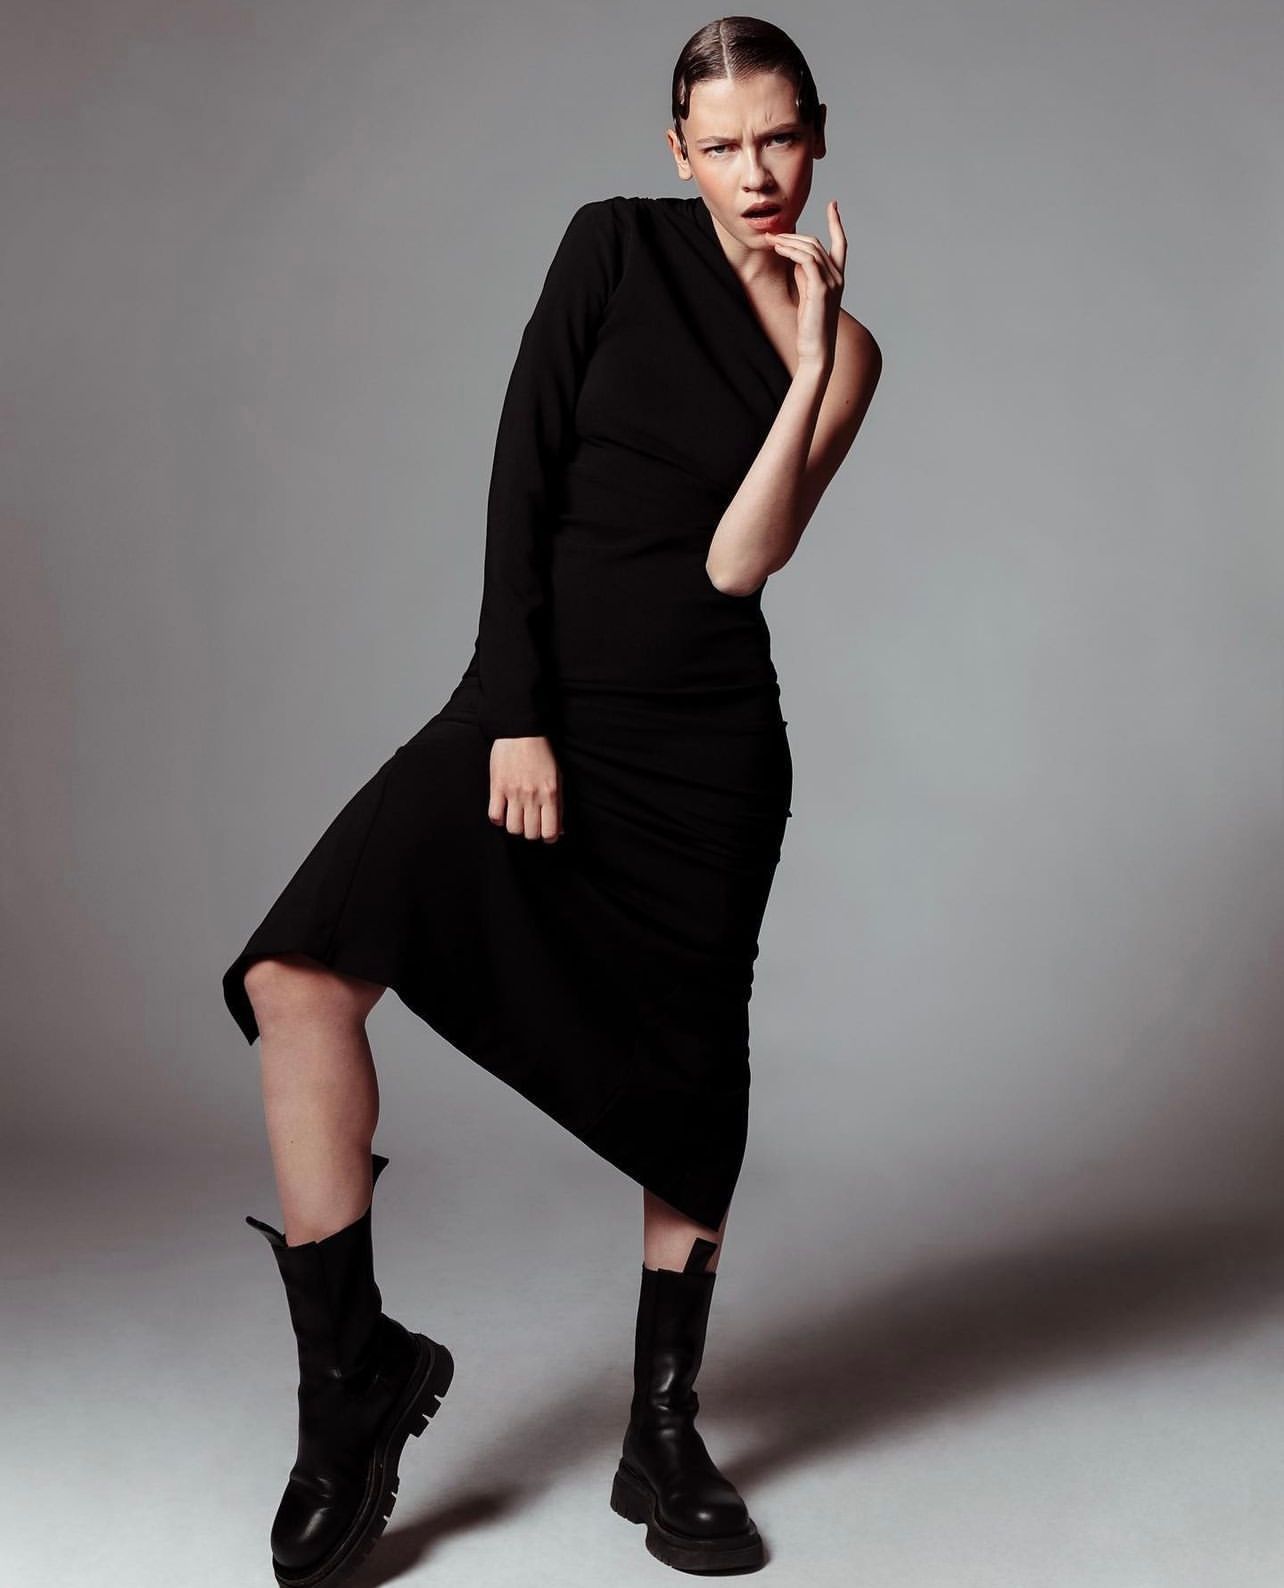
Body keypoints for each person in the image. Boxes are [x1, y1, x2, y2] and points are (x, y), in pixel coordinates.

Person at [222, 15, 880, 1584]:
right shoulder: (609, 251)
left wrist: (804, 365)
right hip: (540, 705)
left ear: (818, 133)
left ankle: (663, 1429)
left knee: (686, 1074)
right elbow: (522, 473)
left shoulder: (849, 351)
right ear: (676, 154)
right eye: (720, 145)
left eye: (778, 138)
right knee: (297, 974)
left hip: (707, 747)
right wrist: (515, 717)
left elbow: (742, 562)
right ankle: (351, 1387)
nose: (755, 173)